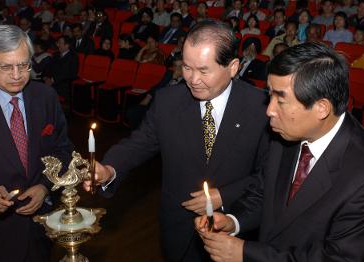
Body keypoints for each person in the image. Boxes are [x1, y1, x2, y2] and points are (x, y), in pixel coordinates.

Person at [83, 20, 270, 262]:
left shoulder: (262, 108)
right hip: (178, 229)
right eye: (187, 67)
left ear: (233, 67)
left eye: (204, 71)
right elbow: (139, 143)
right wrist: (109, 169)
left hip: (235, 228)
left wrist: (225, 196)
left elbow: (269, 175)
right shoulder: (167, 101)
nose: (193, 79)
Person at [195, 42, 364, 261]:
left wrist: (245, 253)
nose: (269, 110)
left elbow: (339, 257)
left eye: (280, 100)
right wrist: (234, 220)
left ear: (322, 108)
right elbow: (265, 191)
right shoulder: (284, 134)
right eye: (269, 96)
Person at [0, 24, 73, 262]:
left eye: (24, 65)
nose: (17, 75)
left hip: (40, 226)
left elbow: (63, 150)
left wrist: (44, 186)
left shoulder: (45, 96)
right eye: (6, 67)